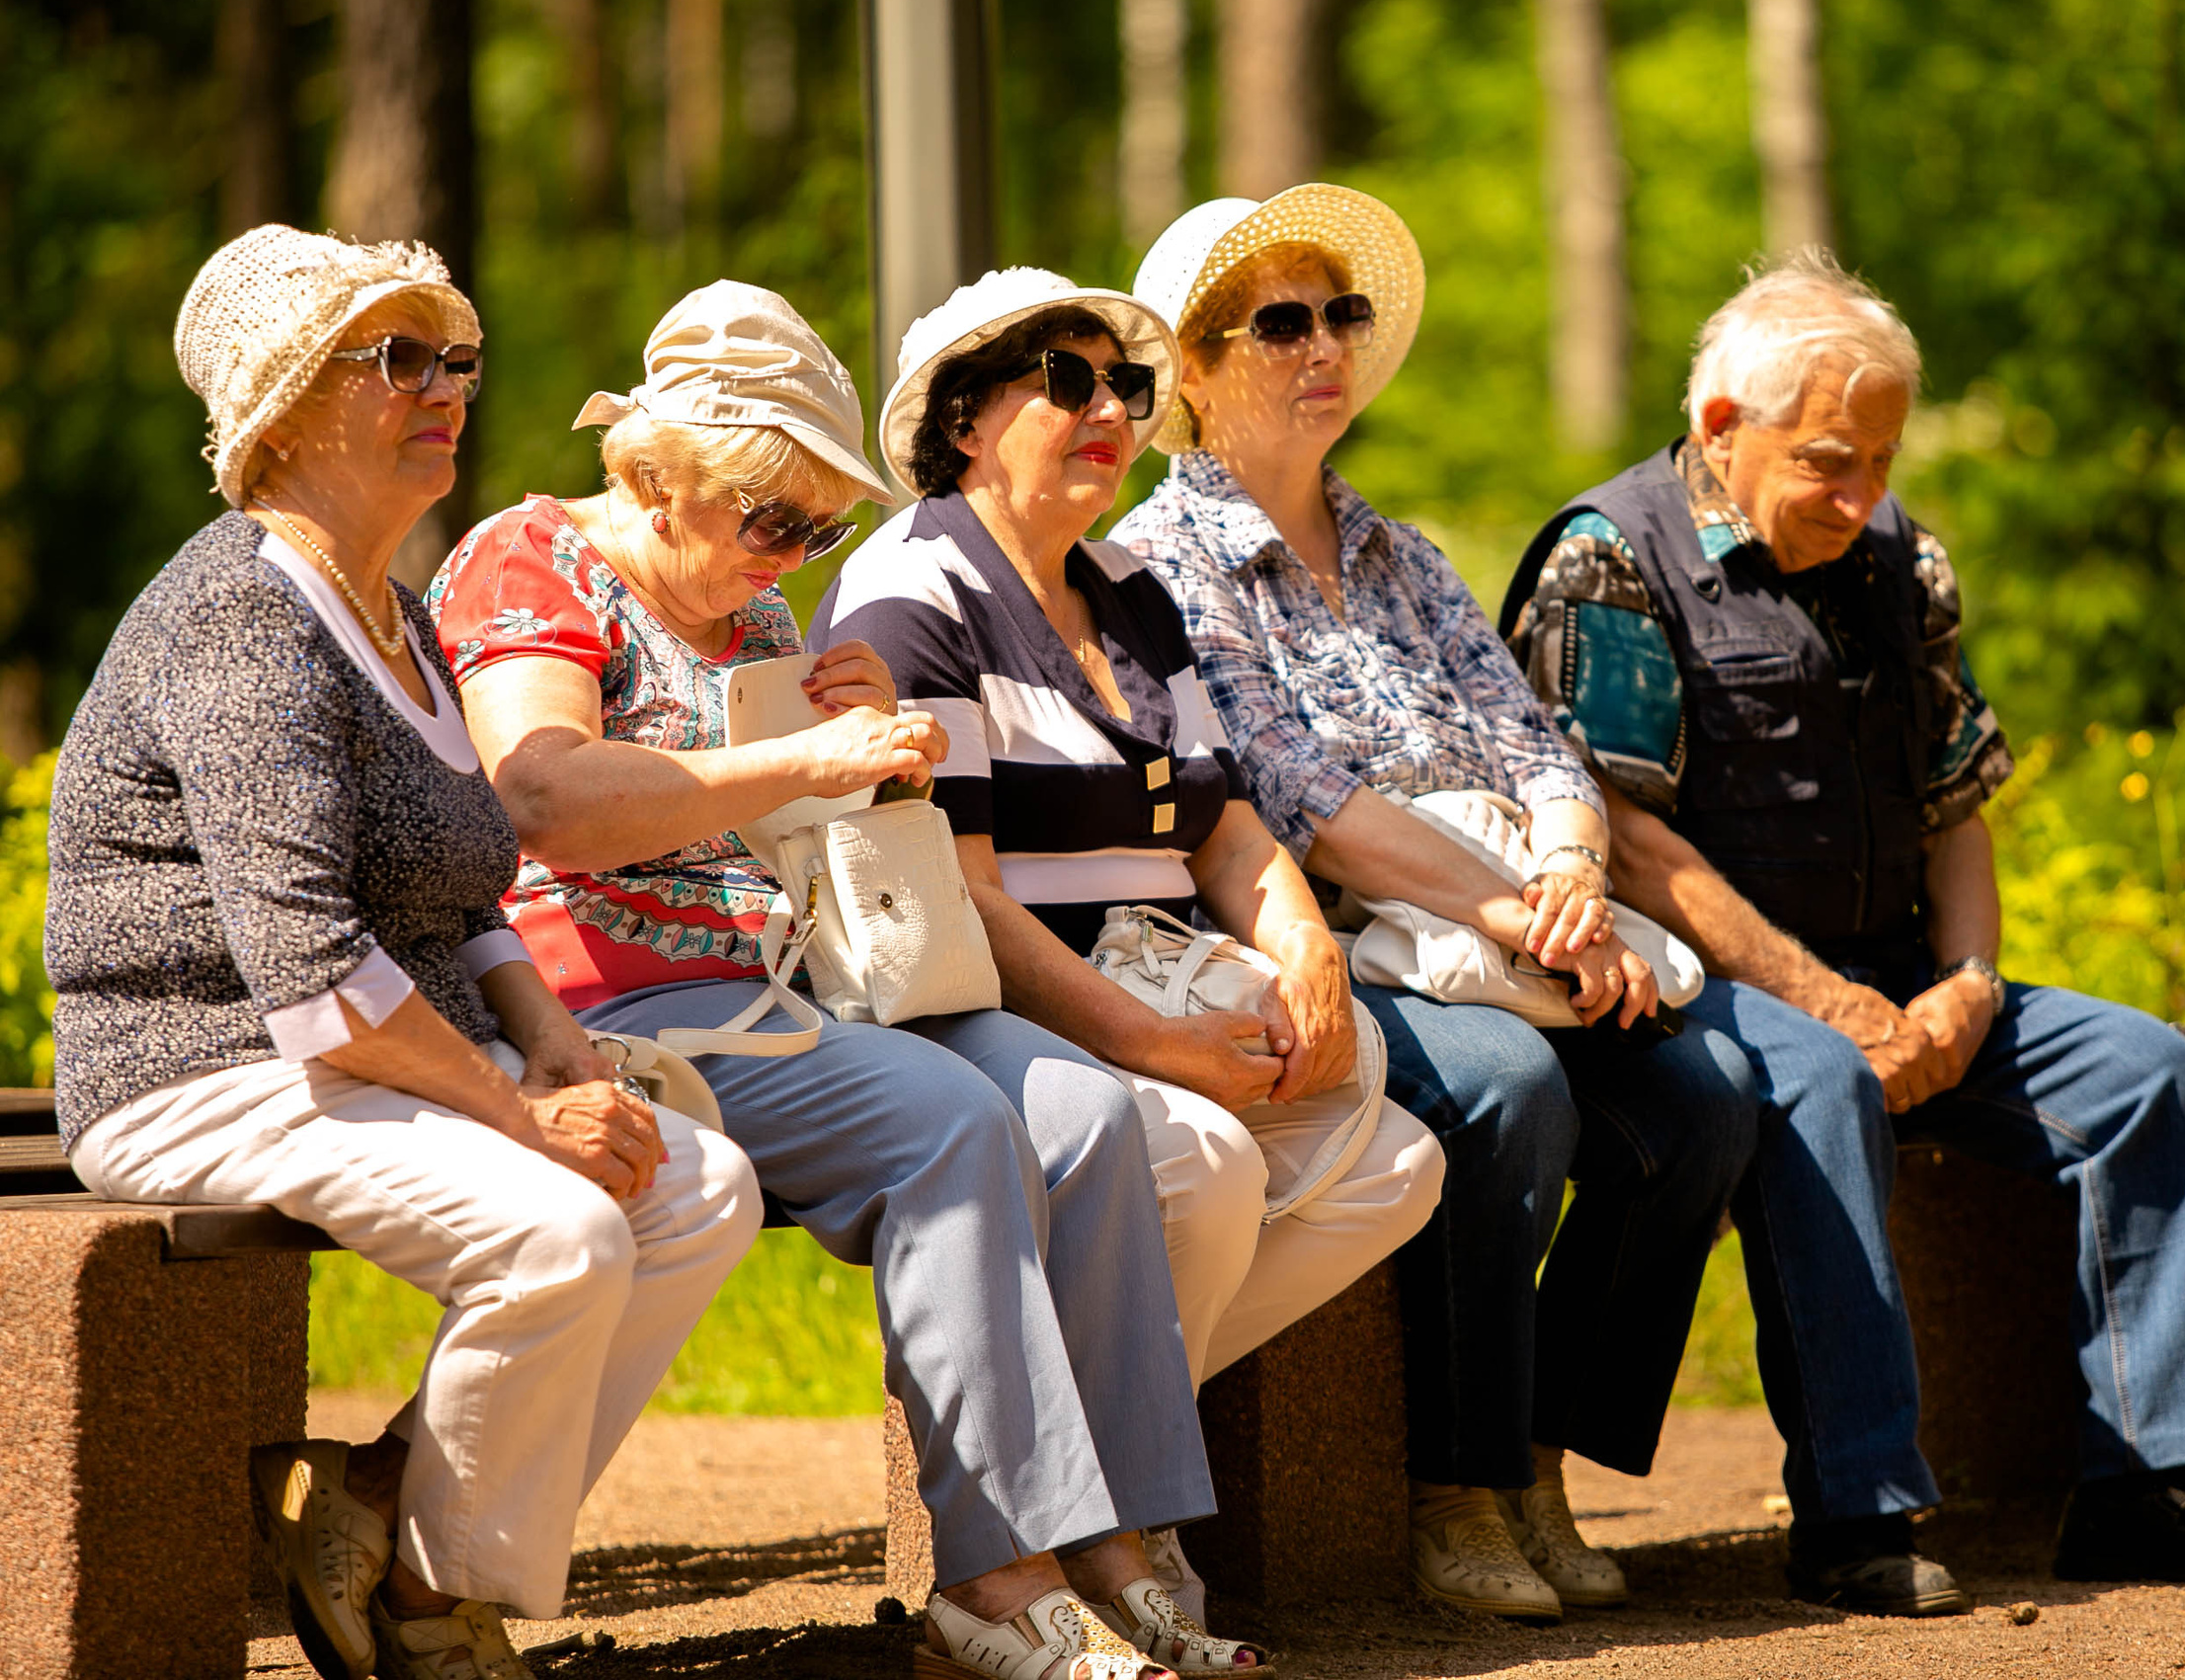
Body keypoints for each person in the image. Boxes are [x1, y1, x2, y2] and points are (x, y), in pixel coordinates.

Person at [1499, 246, 2185, 1612]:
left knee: (2141, 1071)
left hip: (1891, 969)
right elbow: (1631, 845)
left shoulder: (1904, 556)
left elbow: (1958, 808)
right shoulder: (1608, 558)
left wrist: (1967, 983)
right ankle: (1856, 1514)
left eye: (1882, 461)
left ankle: (2152, 1493)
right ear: (1723, 426)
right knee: (1825, 1082)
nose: (1865, 495)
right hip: (1692, 988)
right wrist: (1834, 1006)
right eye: (1832, 461)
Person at [432, 280, 1232, 1680]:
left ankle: (1121, 1539)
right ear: (656, 475)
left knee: (1085, 1115)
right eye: (772, 520)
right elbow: (541, 796)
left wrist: (862, 745)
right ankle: (995, 1577)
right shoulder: (533, 560)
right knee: (951, 1123)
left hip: (783, 985)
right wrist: (805, 762)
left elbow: (797, 835)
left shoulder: (755, 614)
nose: (793, 550)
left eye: (820, 525)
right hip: (593, 995)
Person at [42, 226, 761, 1680]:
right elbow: (305, 963)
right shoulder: (242, 616)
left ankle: (379, 1511)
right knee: (556, 1233)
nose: (450, 387)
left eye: (459, 361)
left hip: (369, 1050)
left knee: (697, 1189)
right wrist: (519, 1111)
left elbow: (459, 884)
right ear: (292, 404)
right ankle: (435, 1618)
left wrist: (548, 1034)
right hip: (201, 1066)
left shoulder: (394, 611)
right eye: (402, 360)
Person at [1111, 187, 1760, 1624]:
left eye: (1340, 314)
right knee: (1508, 1088)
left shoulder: (1403, 552)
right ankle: (1454, 1495)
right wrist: (1523, 912)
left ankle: (1536, 1462)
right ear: (1197, 370)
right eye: (1279, 321)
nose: (1324, 345)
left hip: (1522, 920)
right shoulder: (1164, 565)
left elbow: (1535, 739)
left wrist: (1577, 870)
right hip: (1340, 945)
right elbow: (1298, 799)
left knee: (1710, 1097)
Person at [812, 267, 1444, 1619]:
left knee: (1397, 1161)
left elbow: (1223, 829)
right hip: (1001, 1013)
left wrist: (1306, 953)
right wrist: (1158, 1046)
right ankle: (1126, 1526)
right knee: (1204, 1158)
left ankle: (1075, 1455)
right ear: (969, 418)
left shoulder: (1131, 582)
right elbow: (964, 894)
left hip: (1168, 986)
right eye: (1070, 382)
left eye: (1131, 387)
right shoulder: (911, 589)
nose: (1111, 411)